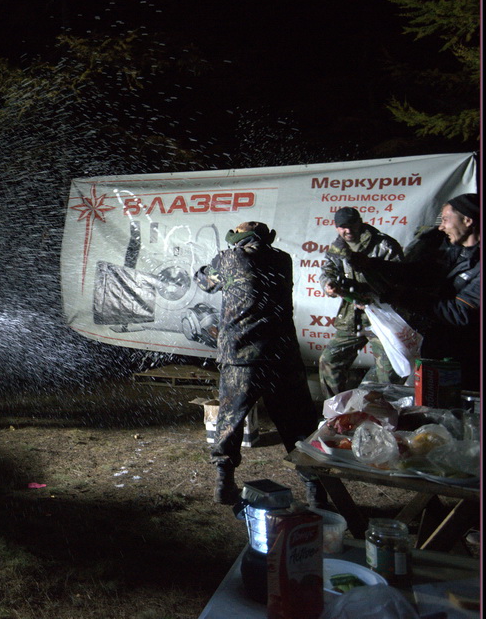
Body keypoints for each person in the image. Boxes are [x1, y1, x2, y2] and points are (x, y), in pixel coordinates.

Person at [194, 222, 320, 505]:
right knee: (298, 424)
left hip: (242, 357)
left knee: (230, 421)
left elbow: (206, 282)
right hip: (282, 355)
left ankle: (224, 483)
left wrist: (201, 271)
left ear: (239, 239)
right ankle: (316, 491)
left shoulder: (230, 258)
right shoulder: (283, 259)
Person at [368, 193, 480, 391]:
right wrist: (373, 266)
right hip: (440, 349)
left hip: (468, 359)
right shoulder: (455, 251)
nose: (441, 227)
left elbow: (460, 312)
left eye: (445, 220)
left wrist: (402, 297)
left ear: (468, 220)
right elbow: (420, 274)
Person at [317, 207, 404, 398]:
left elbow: (401, 278)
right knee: (330, 361)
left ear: (360, 222)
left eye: (352, 225)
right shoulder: (338, 247)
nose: (348, 230)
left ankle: (386, 412)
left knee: (389, 372)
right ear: (336, 227)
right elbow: (328, 271)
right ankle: (336, 409)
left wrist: (373, 288)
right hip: (353, 316)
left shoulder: (383, 244)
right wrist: (328, 285)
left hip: (383, 316)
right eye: (343, 227)